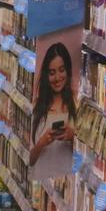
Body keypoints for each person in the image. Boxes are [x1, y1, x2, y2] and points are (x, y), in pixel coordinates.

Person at [29, 42, 77, 181]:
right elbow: (30, 160)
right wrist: (42, 142)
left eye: (62, 70)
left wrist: (72, 137)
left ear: (68, 71)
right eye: (52, 72)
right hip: (40, 184)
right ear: (46, 75)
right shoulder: (36, 107)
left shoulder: (76, 104)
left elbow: (88, 158)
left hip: (67, 187)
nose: (57, 78)